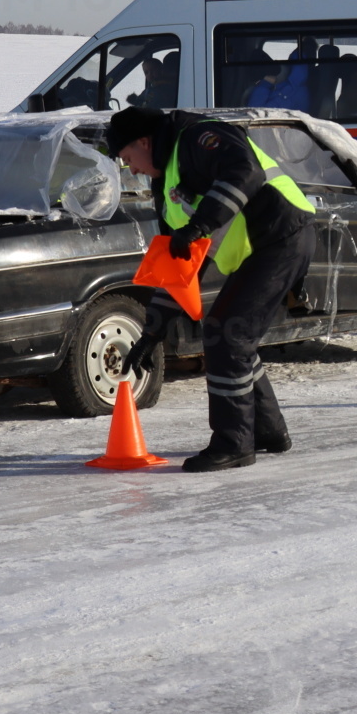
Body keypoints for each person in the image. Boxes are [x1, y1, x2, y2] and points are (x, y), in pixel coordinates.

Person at [106, 106, 319, 472]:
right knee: (229, 332)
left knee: (227, 333)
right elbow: (178, 269)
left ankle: (234, 443)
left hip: (282, 234)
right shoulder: (166, 185)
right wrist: (151, 334)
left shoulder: (197, 137)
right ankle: (266, 431)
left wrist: (200, 225)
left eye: (128, 159)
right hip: (258, 251)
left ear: (144, 141)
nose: (132, 170)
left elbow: (245, 172)